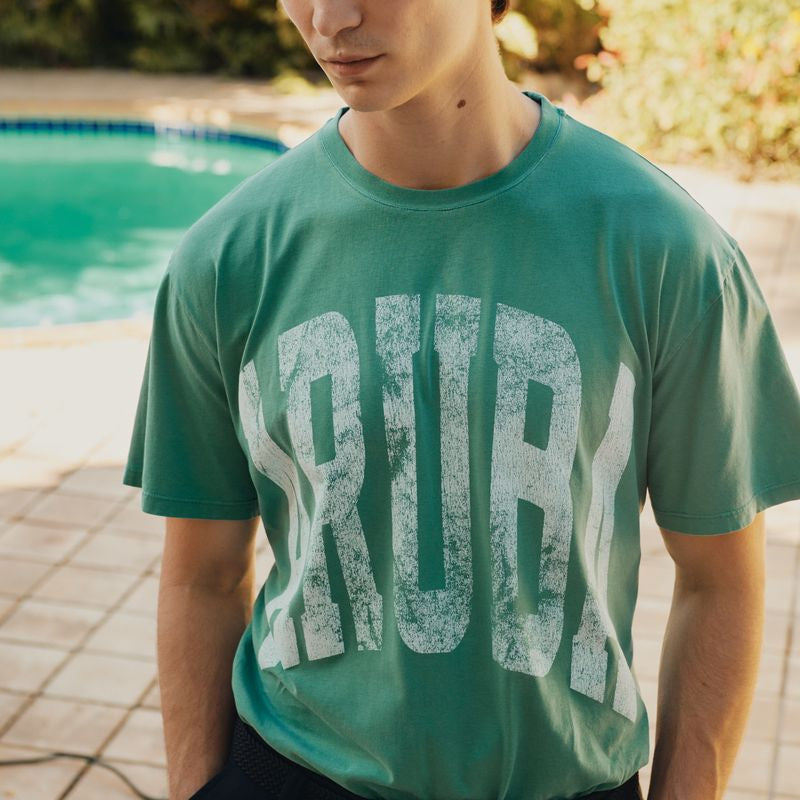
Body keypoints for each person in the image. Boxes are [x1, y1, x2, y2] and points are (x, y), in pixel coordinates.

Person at [122, 0, 800, 798]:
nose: (329, 18)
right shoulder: (226, 260)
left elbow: (720, 581)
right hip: (290, 772)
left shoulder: (665, 250)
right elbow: (201, 576)